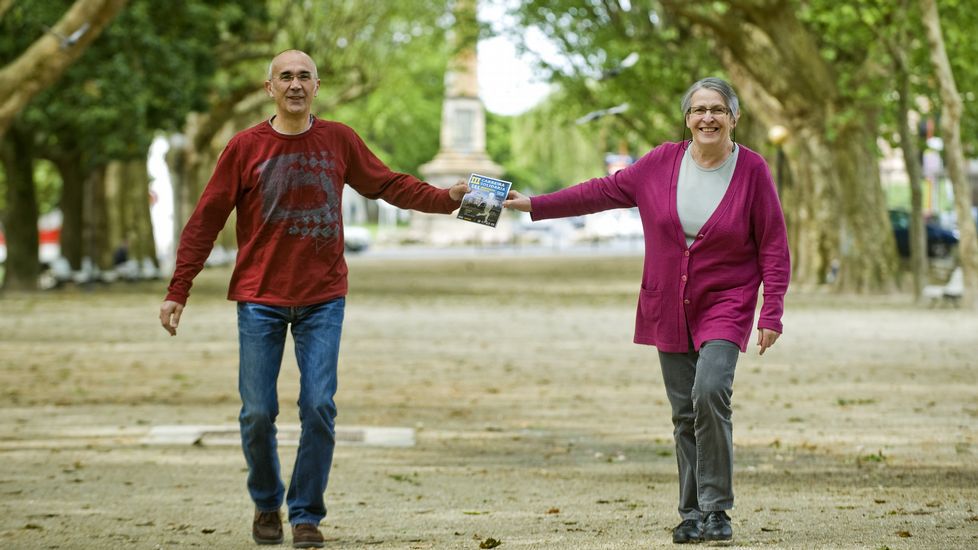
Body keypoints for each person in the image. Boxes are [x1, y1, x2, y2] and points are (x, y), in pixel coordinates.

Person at [158, 49, 468, 549]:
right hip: (260, 296)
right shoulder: (243, 147)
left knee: (319, 405)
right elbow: (206, 219)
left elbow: (388, 185)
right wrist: (179, 290)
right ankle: (265, 503)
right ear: (270, 88)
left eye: (304, 76)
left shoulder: (339, 140)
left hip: (323, 297)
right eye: (286, 76)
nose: (295, 84)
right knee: (257, 412)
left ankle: (305, 514)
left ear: (317, 87)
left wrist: (445, 198)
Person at [504, 77, 790, 545]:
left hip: (727, 300)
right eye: (698, 109)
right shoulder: (660, 163)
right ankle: (691, 512)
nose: (707, 117)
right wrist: (534, 204)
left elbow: (774, 245)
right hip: (669, 302)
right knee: (683, 412)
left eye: (718, 109)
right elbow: (599, 192)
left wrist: (771, 312)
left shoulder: (753, 170)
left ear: (734, 118)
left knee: (710, 391)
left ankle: (717, 509)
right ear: (687, 118)